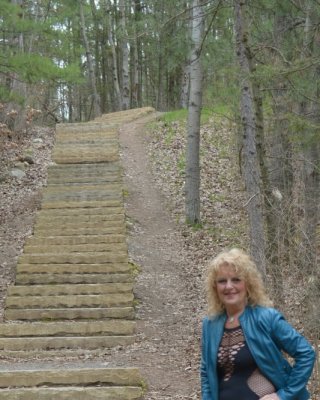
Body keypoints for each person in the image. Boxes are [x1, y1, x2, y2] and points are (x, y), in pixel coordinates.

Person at [201, 248, 316, 400]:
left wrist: (283, 395)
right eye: (222, 281)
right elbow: (206, 372)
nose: (229, 286)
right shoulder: (210, 325)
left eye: (236, 279)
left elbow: (306, 353)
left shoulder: (266, 318)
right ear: (215, 287)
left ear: (247, 284)